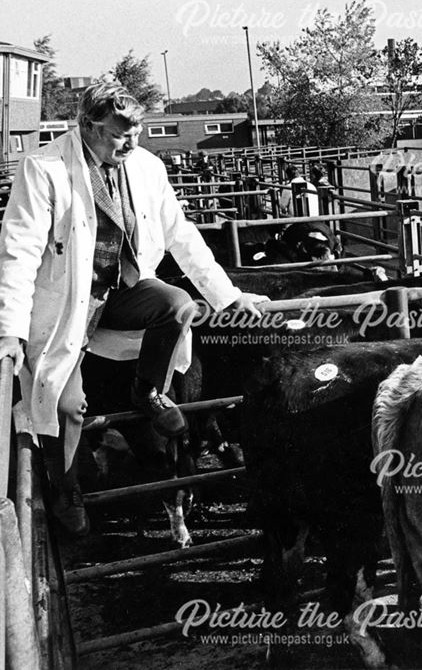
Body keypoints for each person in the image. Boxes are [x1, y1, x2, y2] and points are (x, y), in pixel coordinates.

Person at [0, 83, 266, 536]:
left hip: (122, 292)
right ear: (86, 126)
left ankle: (146, 390)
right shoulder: (43, 168)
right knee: (67, 408)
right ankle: (67, 493)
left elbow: (181, 235)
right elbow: (19, 250)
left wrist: (228, 295)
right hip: (66, 304)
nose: (131, 143)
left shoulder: (146, 166)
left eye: (137, 131)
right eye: (120, 134)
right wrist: (10, 329)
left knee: (177, 303)